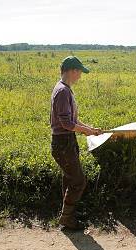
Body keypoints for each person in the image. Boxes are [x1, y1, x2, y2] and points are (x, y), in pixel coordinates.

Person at [50, 56, 102, 230]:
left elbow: (73, 121)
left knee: (69, 179)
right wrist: (86, 131)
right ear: (72, 70)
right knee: (78, 181)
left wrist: (91, 129)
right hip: (63, 143)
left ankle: (67, 214)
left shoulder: (64, 88)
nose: (80, 76)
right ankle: (66, 218)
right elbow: (66, 123)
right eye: (79, 72)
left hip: (65, 141)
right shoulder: (63, 91)